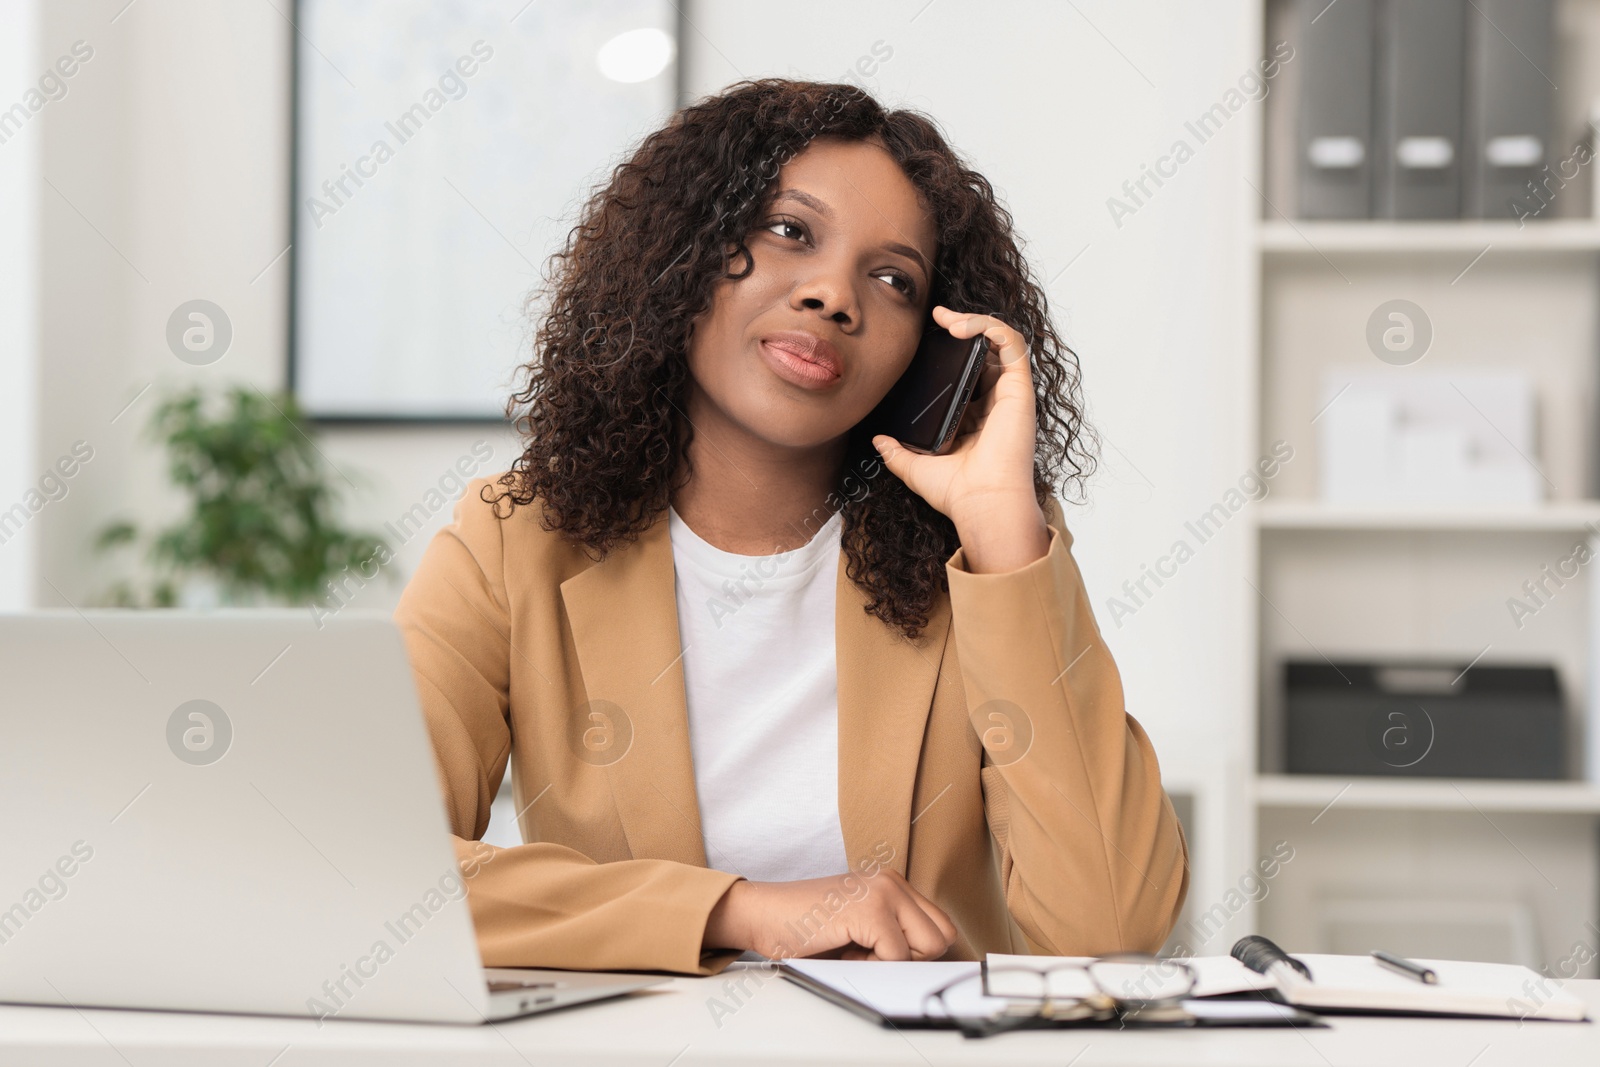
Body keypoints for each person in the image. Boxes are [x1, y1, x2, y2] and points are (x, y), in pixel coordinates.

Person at [393, 78, 1189, 975]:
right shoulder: (518, 541)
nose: (834, 295)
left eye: (893, 278)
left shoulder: (972, 560)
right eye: (790, 231)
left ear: (923, 346)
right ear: (683, 252)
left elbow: (1113, 927)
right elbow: (375, 876)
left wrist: (1004, 527)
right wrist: (741, 911)